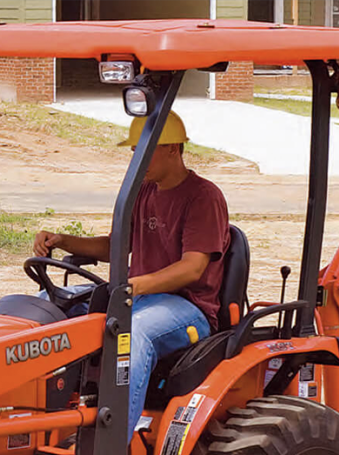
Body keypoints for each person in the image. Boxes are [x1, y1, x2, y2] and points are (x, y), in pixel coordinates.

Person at [33, 111, 229, 435]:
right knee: (46, 307)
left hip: (186, 309)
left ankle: (109, 454)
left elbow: (193, 267)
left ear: (172, 149)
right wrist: (64, 240)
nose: (136, 158)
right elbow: (115, 246)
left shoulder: (203, 197)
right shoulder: (143, 192)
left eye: (144, 149)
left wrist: (137, 285)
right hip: (135, 298)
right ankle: (42, 425)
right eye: (133, 150)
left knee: (130, 334)